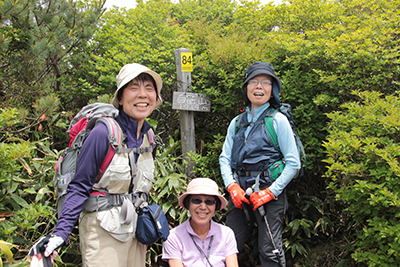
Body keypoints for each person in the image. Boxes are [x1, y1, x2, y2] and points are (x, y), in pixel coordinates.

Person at [29, 63, 163, 267]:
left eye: (149, 88)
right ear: (120, 97)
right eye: (133, 87)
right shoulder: (103, 134)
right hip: (102, 231)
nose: (143, 94)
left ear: (156, 97)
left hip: (135, 233)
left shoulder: (149, 138)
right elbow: (80, 185)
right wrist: (60, 234)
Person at [219, 61, 301, 267]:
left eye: (266, 83)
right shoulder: (237, 122)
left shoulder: (277, 120)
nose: (259, 87)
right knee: (228, 246)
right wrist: (231, 186)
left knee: (269, 249)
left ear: (273, 90)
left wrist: (271, 192)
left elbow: (294, 163)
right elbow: (224, 158)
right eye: (253, 82)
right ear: (246, 88)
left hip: (269, 192)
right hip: (239, 192)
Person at [162, 178, 239, 267]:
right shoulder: (173, 237)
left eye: (209, 202)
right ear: (188, 204)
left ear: (216, 206)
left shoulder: (226, 234)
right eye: (196, 201)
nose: (203, 207)